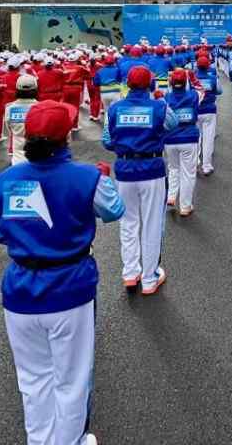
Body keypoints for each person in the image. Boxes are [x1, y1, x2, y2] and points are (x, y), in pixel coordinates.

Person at [0, 99, 123, 445]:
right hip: (70, 288)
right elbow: (114, 211)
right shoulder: (86, 177)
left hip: (19, 289)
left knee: (33, 380)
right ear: (67, 135)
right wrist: (103, 179)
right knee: (72, 378)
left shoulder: (7, 180)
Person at [102, 65, 178, 294]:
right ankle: (149, 278)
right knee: (152, 224)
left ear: (128, 84)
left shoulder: (115, 108)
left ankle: (130, 273)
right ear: (150, 84)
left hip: (124, 170)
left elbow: (107, 141)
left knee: (128, 223)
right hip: (152, 170)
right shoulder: (159, 107)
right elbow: (173, 126)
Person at [163, 69, 200, 215]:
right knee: (188, 173)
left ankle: (172, 196)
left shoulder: (167, 97)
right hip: (189, 137)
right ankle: (185, 206)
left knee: (173, 168)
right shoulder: (193, 95)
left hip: (170, 139)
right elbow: (196, 109)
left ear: (171, 83)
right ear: (186, 82)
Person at [5, 75, 40, 165]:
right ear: (36, 89)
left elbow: (9, 129)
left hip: (17, 159)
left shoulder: (9, 108)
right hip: (37, 157)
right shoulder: (41, 107)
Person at [193, 54, 219, 176]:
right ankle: (206, 166)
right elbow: (219, 91)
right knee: (208, 139)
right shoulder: (213, 78)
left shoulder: (191, 79)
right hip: (209, 111)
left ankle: (196, 161)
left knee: (196, 137)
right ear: (208, 66)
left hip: (196, 110)